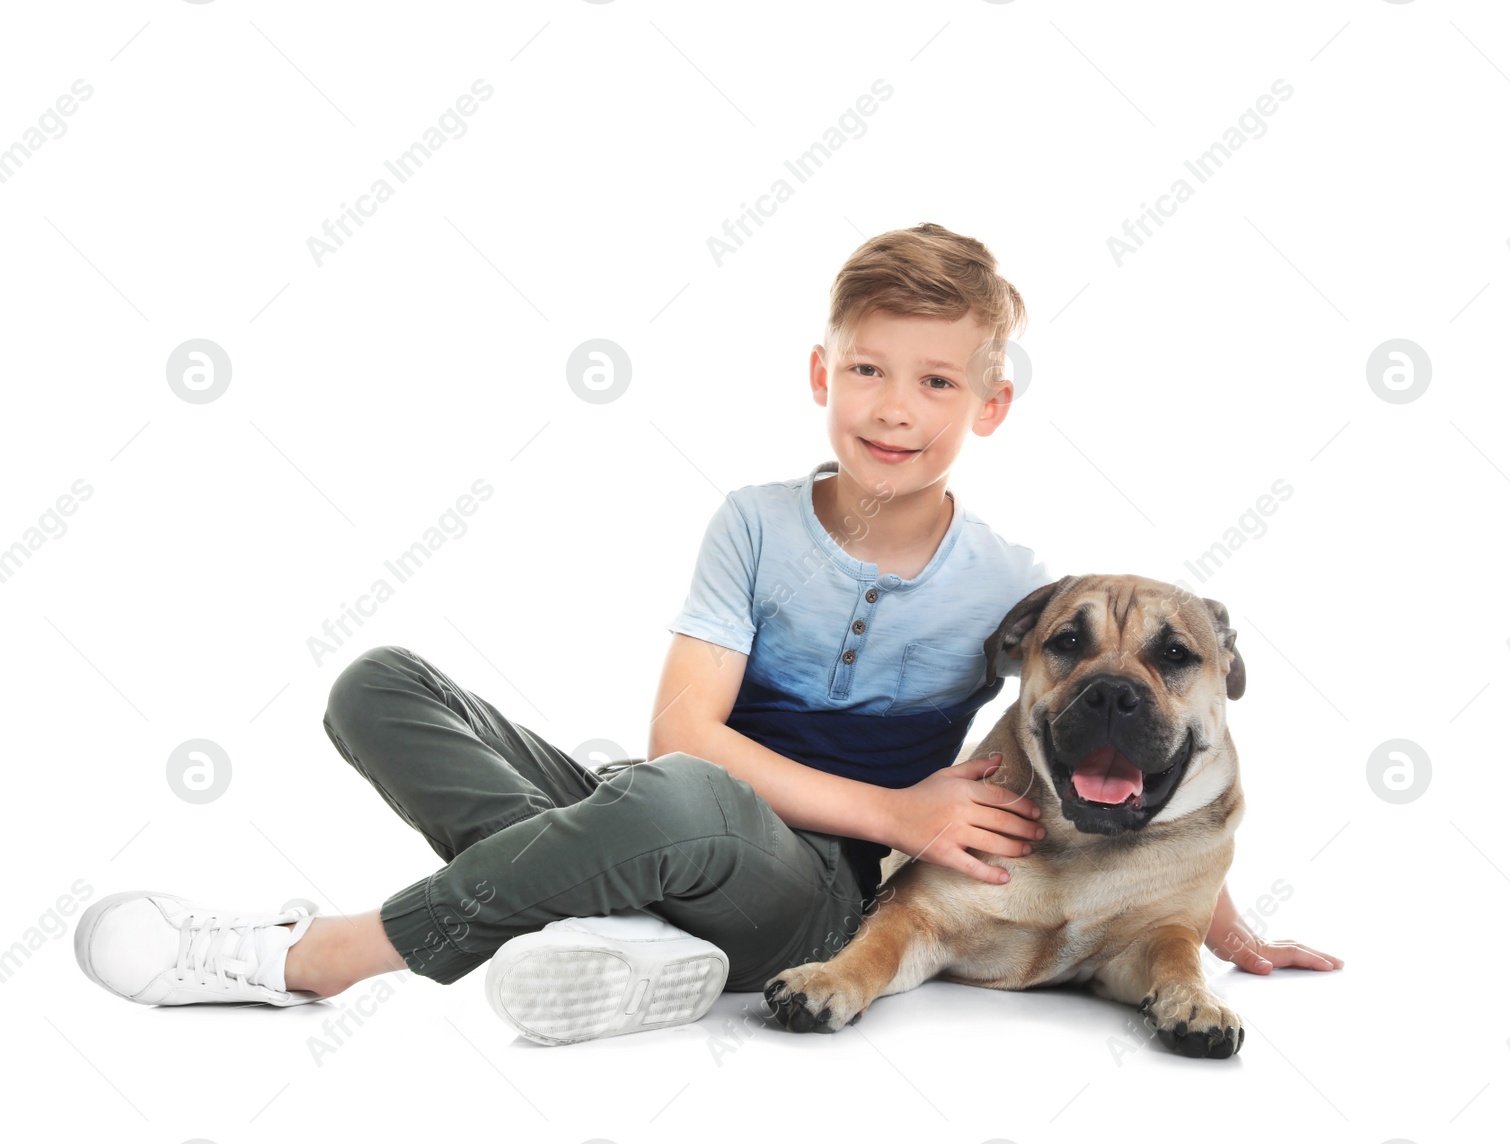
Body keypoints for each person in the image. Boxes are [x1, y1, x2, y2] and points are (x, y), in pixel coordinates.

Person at [74, 222, 1340, 1046]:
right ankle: (619, 923)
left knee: (677, 805)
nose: (895, 410)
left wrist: (1209, 914)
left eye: (937, 381)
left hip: (808, 894)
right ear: (819, 376)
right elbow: (681, 731)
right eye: (867, 372)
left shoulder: (1016, 591)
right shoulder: (750, 523)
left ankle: (323, 957)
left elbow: (1115, 756)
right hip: (667, 797)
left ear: (991, 403)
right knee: (377, 683)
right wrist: (903, 809)